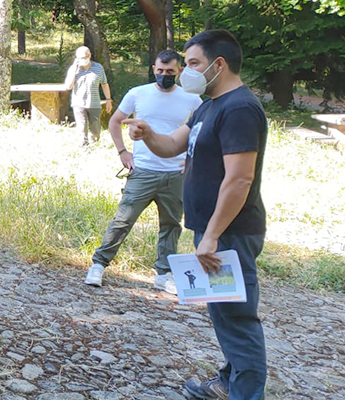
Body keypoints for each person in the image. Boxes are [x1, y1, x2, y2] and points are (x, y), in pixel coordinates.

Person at [125, 30, 268, 400]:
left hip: (230, 232)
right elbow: (173, 145)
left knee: (237, 318)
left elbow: (240, 179)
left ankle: (245, 394)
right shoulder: (208, 105)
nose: (185, 72)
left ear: (218, 65)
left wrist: (212, 235)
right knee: (224, 314)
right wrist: (147, 133)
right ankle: (228, 382)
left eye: (192, 64)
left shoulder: (240, 108)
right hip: (213, 229)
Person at [84, 50, 202, 293]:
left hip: (175, 174)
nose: (164, 75)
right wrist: (122, 152)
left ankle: (164, 273)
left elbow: (204, 130)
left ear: (179, 71)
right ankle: (99, 264)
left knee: (171, 224)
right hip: (143, 170)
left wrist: (193, 159)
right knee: (123, 219)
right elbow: (115, 121)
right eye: (160, 71)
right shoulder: (138, 93)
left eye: (170, 72)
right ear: (153, 68)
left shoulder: (191, 99)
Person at [64, 46, 113, 146]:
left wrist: (108, 99)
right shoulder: (73, 69)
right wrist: (74, 70)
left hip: (94, 103)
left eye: (85, 57)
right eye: (80, 58)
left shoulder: (98, 67)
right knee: (82, 127)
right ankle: (83, 146)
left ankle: (95, 145)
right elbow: (68, 86)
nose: (83, 60)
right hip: (78, 103)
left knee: (95, 129)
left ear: (89, 55)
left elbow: (104, 84)